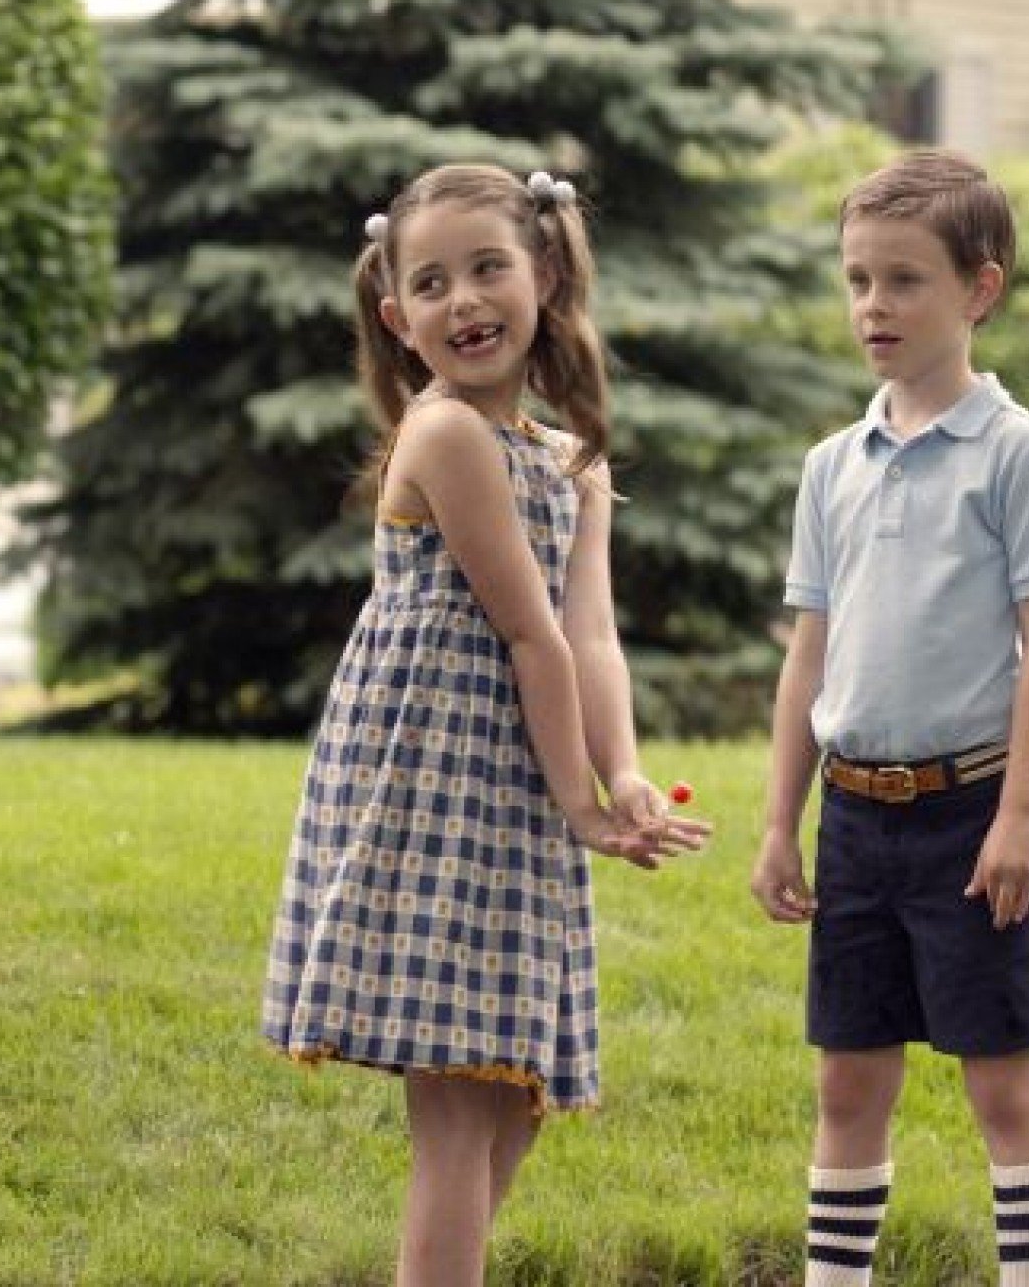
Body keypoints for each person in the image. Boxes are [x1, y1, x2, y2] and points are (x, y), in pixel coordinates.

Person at [261, 163, 710, 1287]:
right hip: (440, 785)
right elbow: (528, 637)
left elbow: (590, 636)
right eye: (431, 281)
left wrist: (627, 772)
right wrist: (585, 807)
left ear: (544, 275)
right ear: (395, 317)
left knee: (515, 1103)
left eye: (488, 268)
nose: (464, 300)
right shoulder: (449, 434)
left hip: (524, 782)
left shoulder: (570, 462)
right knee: (461, 1113)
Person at [751, 148, 1029, 1287]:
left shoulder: (1016, 452)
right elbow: (809, 662)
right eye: (856, 280)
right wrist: (777, 824)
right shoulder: (830, 466)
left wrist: (1021, 816)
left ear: (978, 289)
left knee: (1001, 1078)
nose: (873, 307)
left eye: (903, 280)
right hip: (854, 821)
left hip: (971, 817)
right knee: (848, 1082)